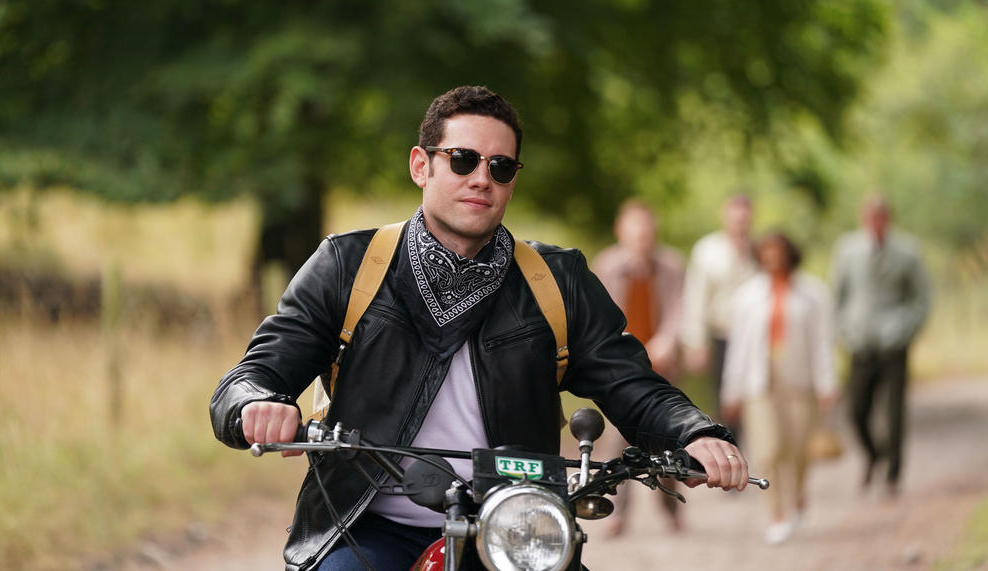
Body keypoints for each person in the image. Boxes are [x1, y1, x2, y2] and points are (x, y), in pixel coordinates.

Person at [210, 85, 748, 571]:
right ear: (421, 165)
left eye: (501, 167)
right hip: (365, 525)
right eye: (463, 159)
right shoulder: (349, 265)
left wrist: (693, 431)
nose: (481, 179)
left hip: (517, 525)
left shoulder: (555, 280)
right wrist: (256, 402)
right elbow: (256, 371)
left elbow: (630, 381)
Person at [721, 232, 838, 544]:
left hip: (800, 379)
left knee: (799, 448)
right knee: (768, 449)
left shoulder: (814, 293)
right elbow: (739, 347)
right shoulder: (747, 296)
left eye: (778, 251)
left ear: (790, 254)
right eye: (767, 252)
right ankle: (777, 513)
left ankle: (798, 495)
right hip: (759, 381)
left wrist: (828, 382)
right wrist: (731, 390)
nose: (772, 258)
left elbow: (823, 342)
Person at [591, 199, 687, 536]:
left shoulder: (672, 265)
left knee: (663, 443)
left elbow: (679, 310)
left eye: (647, 228)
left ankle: (671, 505)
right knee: (617, 442)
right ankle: (617, 513)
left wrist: (665, 340)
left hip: (662, 368)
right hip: (621, 367)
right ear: (622, 231)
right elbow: (600, 317)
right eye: (636, 228)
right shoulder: (606, 265)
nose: (643, 235)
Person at [832, 195, 930, 497]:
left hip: (894, 345)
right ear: (863, 218)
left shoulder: (908, 252)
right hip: (860, 344)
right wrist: (844, 331)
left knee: (894, 411)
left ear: (888, 218)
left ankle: (893, 474)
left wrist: (905, 329)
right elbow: (838, 296)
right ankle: (874, 454)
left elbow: (921, 299)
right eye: (870, 216)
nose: (876, 222)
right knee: (857, 409)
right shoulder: (847, 250)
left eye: (881, 216)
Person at [681, 194, 756, 429]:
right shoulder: (707, 250)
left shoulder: (757, 250)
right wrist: (696, 342)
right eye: (736, 217)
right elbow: (696, 296)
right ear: (725, 216)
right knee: (719, 402)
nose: (740, 223)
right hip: (719, 336)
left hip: (751, 339)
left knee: (747, 402)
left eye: (744, 218)